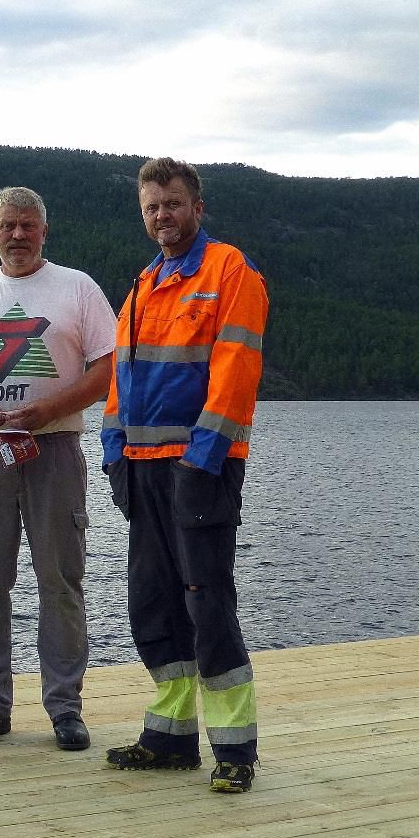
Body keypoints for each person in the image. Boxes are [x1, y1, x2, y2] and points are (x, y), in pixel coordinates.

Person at [101, 157, 269, 793]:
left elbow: (236, 371)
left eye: (172, 203)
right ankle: (169, 740)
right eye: (151, 206)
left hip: (202, 467)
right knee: (154, 605)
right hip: (142, 469)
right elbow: (124, 374)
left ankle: (235, 751)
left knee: (207, 603)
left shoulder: (229, 271)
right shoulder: (146, 283)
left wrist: (204, 458)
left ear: (198, 207)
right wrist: (113, 447)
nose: (161, 215)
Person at [0, 186, 116, 751]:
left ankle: (65, 709)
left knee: (60, 581)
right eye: (7, 226)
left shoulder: (78, 288)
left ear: (44, 231)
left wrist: (49, 409)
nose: (17, 235)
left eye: (27, 225)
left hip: (54, 450)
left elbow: (107, 368)